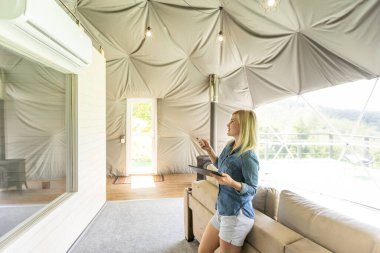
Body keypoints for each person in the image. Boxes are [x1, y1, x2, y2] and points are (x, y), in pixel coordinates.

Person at [197, 110, 259, 253]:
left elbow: (253, 189)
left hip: (237, 216)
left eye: (232, 121)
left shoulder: (248, 156)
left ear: (243, 125)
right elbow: (221, 166)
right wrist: (209, 150)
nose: (228, 124)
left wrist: (232, 183)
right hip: (222, 210)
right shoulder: (230, 146)